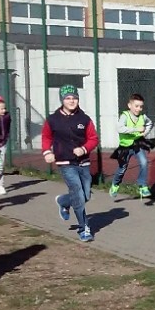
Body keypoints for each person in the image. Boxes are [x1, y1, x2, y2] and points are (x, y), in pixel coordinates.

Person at [42, 85, 99, 242]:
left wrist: (84, 149)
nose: (71, 101)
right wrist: (47, 152)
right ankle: (84, 228)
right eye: (68, 98)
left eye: (74, 98)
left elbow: (93, 139)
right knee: (78, 195)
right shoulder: (53, 120)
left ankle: (63, 201)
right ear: (62, 100)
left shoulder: (84, 119)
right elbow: (46, 137)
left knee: (85, 195)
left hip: (83, 162)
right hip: (65, 162)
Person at [110, 93, 155, 199]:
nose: (139, 109)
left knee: (144, 162)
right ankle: (115, 184)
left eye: (141, 106)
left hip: (137, 144)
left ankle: (142, 186)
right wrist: (136, 129)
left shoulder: (143, 117)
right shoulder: (125, 116)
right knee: (122, 168)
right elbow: (119, 128)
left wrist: (145, 133)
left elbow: (149, 123)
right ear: (129, 105)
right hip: (125, 147)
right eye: (136, 106)